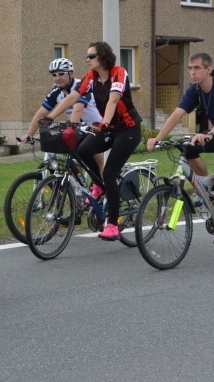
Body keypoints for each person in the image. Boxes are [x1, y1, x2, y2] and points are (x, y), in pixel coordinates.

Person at [147, 52, 214, 248]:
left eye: (197, 68)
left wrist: (210, 134)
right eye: (190, 68)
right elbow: (177, 114)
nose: (192, 72)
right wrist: (158, 137)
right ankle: (208, 188)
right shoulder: (195, 90)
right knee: (189, 150)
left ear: (208, 70)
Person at [46, 41, 142, 241]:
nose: (87, 60)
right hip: (108, 128)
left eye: (91, 56)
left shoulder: (119, 72)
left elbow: (114, 99)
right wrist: (51, 116)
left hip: (128, 130)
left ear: (103, 57)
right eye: (87, 56)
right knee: (82, 150)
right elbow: (73, 96)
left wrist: (104, 122)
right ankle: (100, 186)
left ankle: (113, 225)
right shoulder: (92, 77)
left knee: (109, 173)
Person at [19, 58, 104, 194]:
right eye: (54, 75)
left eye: (61, 74)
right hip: (76, 128)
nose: (57, 78)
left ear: (71, 73)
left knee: (96, 157)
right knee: (75, 162)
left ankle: (103, 187)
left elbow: (77, 110)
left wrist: (71, 130)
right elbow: (41, 114)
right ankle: (79, 195)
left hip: (94, 128)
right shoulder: (56, 92)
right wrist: (29, 134)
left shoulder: (80, 86)